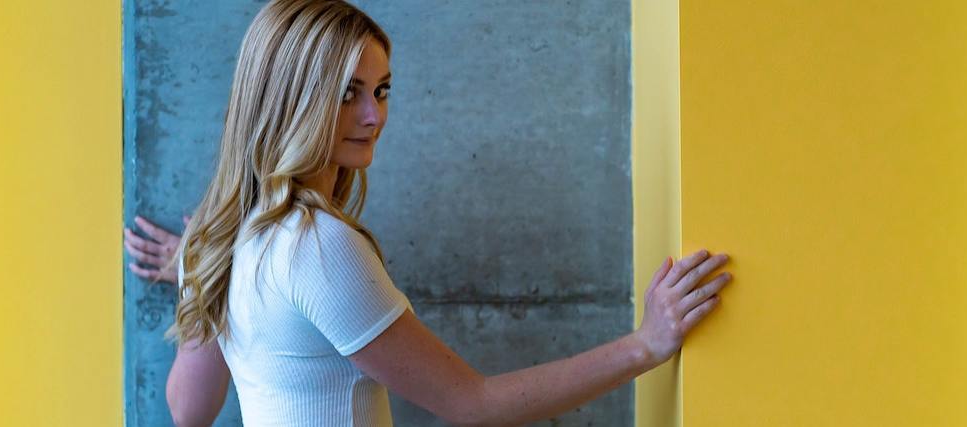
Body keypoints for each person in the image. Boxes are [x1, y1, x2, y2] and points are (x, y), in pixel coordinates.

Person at [122, 1, 733, 425]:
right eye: (348, 93)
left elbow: (187, 410)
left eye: (382, 89)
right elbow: (472, 403)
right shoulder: (316, 245)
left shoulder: (230, 241)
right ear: (291, 99)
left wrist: (194, 270)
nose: (374, 116)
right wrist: (646, 345)